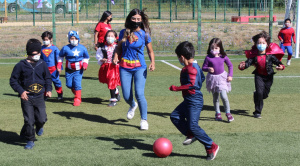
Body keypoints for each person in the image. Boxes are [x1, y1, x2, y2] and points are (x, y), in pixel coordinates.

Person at [169, 41, 219, 161]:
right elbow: (201, 78)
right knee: (175, 116)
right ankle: (191, 134)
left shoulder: (191, 68)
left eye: (178, 57)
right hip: (189, 99)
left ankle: (211, 146)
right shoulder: (194, 66)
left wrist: (176, 88)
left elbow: (192, 85)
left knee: (193, 125)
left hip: (194, 100)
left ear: (182, 57)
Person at [113, 9, 155, 130]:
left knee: (139, 93)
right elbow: (118, 48)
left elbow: (150, 51)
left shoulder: (144, 34)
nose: (136, 21)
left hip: (139, 68)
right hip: (124, 67)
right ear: (129, 19)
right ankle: (132, 105)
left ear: (141, 20)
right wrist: (116, 56)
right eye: (134, 19)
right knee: (126, 95)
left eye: (138, 19)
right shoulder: (123, 33)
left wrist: (152, 62)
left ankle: (144, 119)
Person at [9, 39, 52, 149]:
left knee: (42, 118)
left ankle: (38, 126)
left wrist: (48, 89)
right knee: (29, 120)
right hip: (26, 97)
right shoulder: (20, 65)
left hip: (39, 96)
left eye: (38, 53)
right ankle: (30, 140)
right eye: (35, 54)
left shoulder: (42, 64)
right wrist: (21, 91)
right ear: (29, 53)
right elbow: (13, 81)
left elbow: (47, 78)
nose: (37, 55)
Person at [239, 31, 285, 119]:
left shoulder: (270, 56)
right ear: (256, 44)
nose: (261, 44)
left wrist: (281, 67)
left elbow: (280, 63)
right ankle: (257, 112)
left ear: (267, 44)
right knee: (260, 92)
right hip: (258, 76)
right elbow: (247, 63)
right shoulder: (254, 56)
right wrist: (242, 66)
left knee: (264, 94)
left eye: (263, 43)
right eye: (259, 43)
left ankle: (257, 95)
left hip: (269, 76)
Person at [202, 38, 234, 122]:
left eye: (216, 48)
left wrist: (230, 75)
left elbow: (230, 65)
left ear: (220, 48)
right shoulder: (208, 57)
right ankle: (217, 113)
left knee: (224, 96)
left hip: (222, 78)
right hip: (212, 79)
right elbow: (203, 68)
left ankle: (228, 113)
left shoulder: (223, 56)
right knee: (215, 97)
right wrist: (208, 69)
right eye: (212, 48)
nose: (214, 50)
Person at [57, 31, 90, 106]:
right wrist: (59, 65)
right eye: (72, 38)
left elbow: (86, 57)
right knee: (69, 85)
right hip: (68, 70)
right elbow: (60, 57)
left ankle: (77, 99)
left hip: (78, 70)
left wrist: (85, 64)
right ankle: (77, 94)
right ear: (69, 39)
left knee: (77, 84)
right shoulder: (65, 48)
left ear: (78, 39)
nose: (74, 40)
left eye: (75, 38)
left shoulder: (82, 48)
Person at [96, 30, 121, 107]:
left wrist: (118, 60)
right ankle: (116, 91)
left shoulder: (118, 47)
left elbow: (121, 55)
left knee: (111, 81)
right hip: (106, 67)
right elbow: (98, 55)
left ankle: (113, 99)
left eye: (112, 36)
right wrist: (101, 59)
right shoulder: (102, 47)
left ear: (115, 38)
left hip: (115, 67)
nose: (110, 37)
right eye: (108, 36)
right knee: (109, 81)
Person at [41, 31, 63, 100]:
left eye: (47, 40)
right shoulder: (41, 49)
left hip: (53, 69)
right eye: (44, 40)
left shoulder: (55, 48)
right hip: (44, 69)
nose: (45, 41)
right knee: (44, 82)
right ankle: (45, 94)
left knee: (56, 82)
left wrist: (59, 67)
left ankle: (60, 93)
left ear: (51, 39)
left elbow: (59, 59)